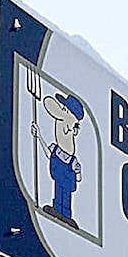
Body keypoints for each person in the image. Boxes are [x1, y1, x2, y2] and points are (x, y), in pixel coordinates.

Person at [43, 92, 84, 222]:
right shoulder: (55, 148)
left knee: (65, 195)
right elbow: (48, 154)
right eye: (63, 109)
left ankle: (66, 215)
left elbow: (78, 174)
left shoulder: (68, 125)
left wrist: (78, 174)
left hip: (67, 177)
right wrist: (38, 136)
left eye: (65, 110)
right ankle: (57, 209)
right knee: (58, 191)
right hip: (58, 173)